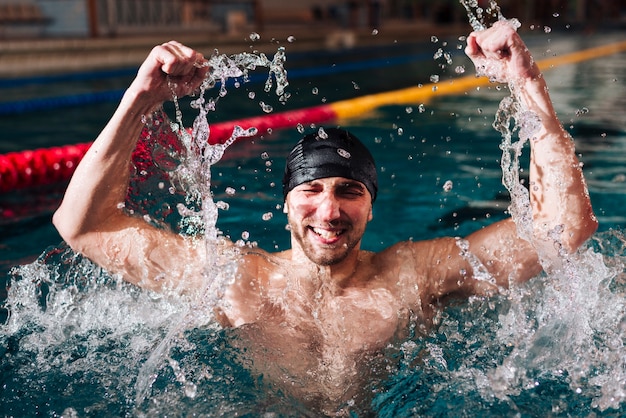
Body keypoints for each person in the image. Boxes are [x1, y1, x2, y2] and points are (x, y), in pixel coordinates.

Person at [53, 22, 597, 414]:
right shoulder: (234, 279)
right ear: (286, 203)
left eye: (349, 191)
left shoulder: (413, 273)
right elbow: (84, 226)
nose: (330, 211)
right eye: (311, 191)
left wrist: (528, 85)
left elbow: (563, 230)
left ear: (371, 204)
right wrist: (142, 98)